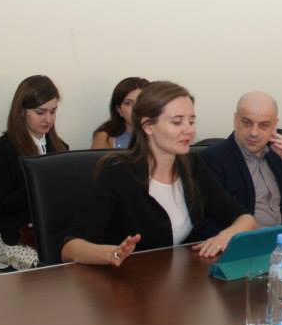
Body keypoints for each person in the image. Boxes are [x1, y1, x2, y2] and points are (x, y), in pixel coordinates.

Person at [61, 81, 258, 266]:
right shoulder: (117, 172)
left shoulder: (192, 165)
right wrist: (112, 253)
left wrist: (226, 236)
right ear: (148, 126)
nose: (189, 130)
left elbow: (246, 219)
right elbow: (70, 248)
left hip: (177, 278)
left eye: (191, 121)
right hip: (126, 281)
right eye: (177, 122)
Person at [0, 75, 69, 269]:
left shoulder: (61, 148)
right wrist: (38, 181)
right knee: (47, 268)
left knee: (81, 259)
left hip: (52, 232)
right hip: (16, 235)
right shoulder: (3, 148)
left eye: (53, 112)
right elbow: (4, 203)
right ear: (22, 111)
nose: (48, 119)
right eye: (40, 112)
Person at [199, 91, 282, 236]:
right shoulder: (212, 159)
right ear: (236, 120)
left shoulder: (279, 154)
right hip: (245, 243)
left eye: (264, 125)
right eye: (247, 123)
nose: (254, 133)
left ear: (274, 126)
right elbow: (210, 222)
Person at [91, 77, 150, 149]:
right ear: (119, 110)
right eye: (128, 103)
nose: (135, 108)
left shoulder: (159, 132)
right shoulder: (105, 136)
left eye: (140, 101)